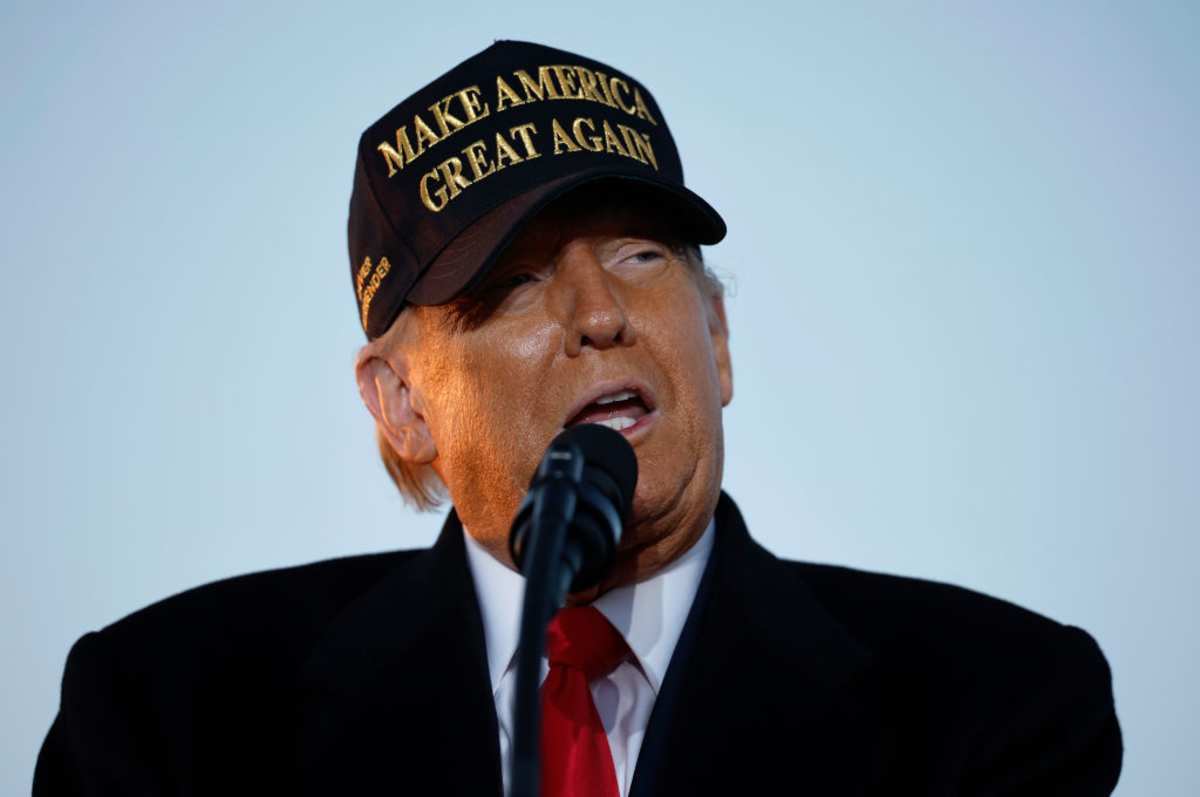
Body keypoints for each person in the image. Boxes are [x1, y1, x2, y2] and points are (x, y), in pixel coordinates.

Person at [34, 40, 1122, 796]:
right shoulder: (169, 715)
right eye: (511, 285)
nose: (601, 313)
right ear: (402, 402)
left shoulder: (993, 703)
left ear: (719, 337)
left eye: (644, 256)